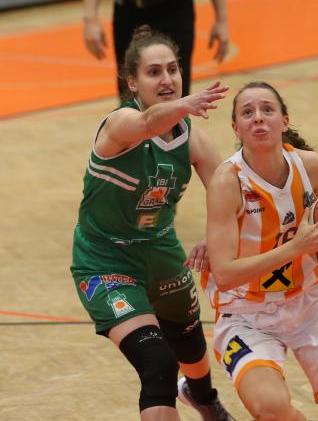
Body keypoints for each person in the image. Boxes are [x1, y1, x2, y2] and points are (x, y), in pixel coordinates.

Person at [70, 25, 235, 421]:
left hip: (161, 252)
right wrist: (185, 105)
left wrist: (213, 237)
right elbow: (147, 124)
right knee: (158, 360)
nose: (167, 79)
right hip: (105, 261)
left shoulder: (195, 141)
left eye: (173, 70)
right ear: (132, 82)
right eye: (154, 72)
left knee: (190, 343)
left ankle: (204, 399)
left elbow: (229, 199)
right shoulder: (120, 124)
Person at [201, 82, 318, 421]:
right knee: (271, 410)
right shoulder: (227, 182)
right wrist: (295, 247)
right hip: (246, 313)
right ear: (236, 128)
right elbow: (223, 274)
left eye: (267, 109)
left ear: (284, 121)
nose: (258, 118)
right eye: (247, 112)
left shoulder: (311, 167)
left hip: (308, 301)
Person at [82, 0, 229, 96]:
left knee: (176, 90)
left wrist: (222, 20)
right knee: (130, 91)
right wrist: (90, 19)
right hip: (128, 10)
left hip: (175, 10)